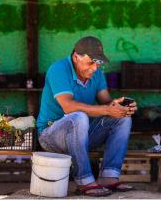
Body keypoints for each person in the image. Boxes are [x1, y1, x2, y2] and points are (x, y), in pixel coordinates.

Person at [36, 36, 137, 197]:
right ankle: (84, 181)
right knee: (78, 117)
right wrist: (107, 109)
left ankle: (108, 177)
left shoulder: (96, 73)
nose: (95, 68)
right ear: (76, 57)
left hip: (82, 136)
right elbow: (68, 106)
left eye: (98, 63)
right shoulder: (58, 69)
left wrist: (118, 106)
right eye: (91, 62)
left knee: (123, 118)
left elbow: (106, 102)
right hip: (50, 136)